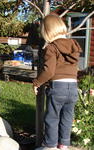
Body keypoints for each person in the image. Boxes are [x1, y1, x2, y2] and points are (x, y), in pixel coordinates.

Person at [33, 14, 82, 150]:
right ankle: (64, 144)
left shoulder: (52, 48)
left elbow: (49, 71)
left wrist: (37, 82)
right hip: (72, 87)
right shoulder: (74, 45)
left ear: (47, 32)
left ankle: (50, 145)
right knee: (67, 117)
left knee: (52, 118)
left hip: (58, 87)